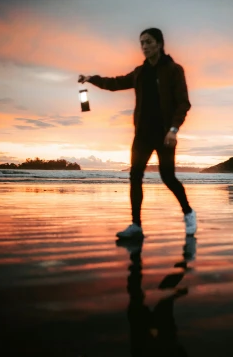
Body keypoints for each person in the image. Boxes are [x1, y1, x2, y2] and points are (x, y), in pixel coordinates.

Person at [78, 27, 197, 238]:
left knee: (168, 177)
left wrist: (173, 129)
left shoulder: (173, 70)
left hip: (165, 134)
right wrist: (91, 78)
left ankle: (188, 212)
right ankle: (136, 226)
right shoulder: (140, 73)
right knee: (135, 176)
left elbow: (183, 103)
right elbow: (114, 83)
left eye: (148, 42)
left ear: (159, 44)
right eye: (141, 43)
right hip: (142, 134)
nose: (144, 46)